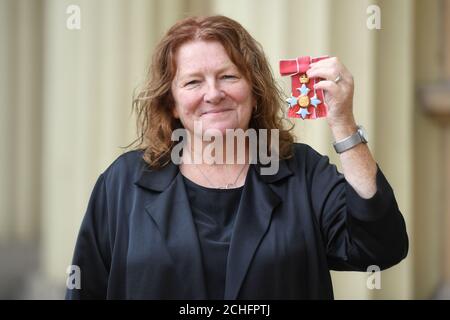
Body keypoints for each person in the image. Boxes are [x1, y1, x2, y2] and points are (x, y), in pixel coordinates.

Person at [65, 15, 408, 300]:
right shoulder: (123, 183)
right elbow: (85, 290)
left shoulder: (301, 172)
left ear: (255, 93)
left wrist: (343, 124)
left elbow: (379, 247)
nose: (213, 94)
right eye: (193, 82)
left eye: (228, 76)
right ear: (171, 103)